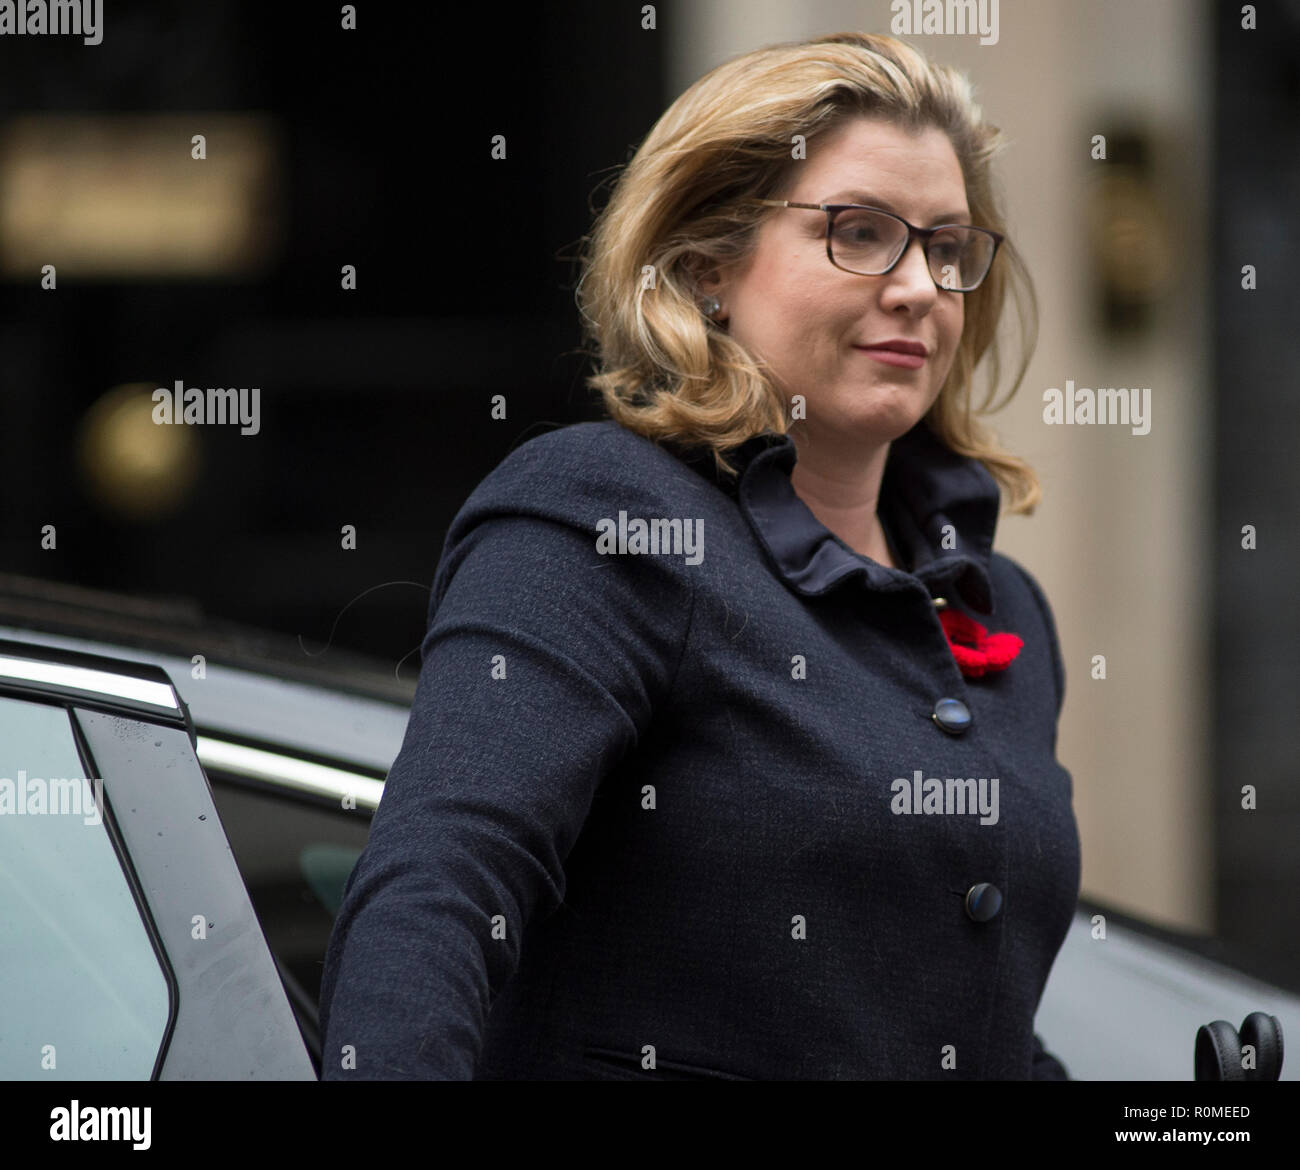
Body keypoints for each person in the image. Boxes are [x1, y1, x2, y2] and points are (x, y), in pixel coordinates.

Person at [318, 30, 1081, 1080]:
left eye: (946, 249)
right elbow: (436, 898)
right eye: (859, 233)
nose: (917, 287)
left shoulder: (1004, 609)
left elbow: (969, 1020)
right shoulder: (606, 515)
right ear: (707, 266)